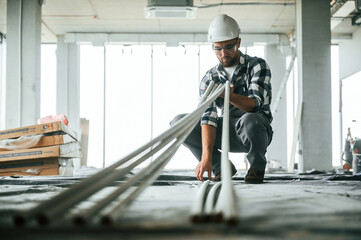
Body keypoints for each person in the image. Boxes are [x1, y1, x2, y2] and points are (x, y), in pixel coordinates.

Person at [170, 14, 273, 184]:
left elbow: (254, 105)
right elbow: (207, 117)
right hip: (226, 130)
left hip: (254, 130)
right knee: (179, 122)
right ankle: (220, 167)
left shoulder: (256, 66)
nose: (223, 53)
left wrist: (228, 95)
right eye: (217, 48)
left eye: (228, 47)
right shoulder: (209, 78)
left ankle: (257, 166)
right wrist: (206, 157)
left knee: (250, 119)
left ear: (238, 43)